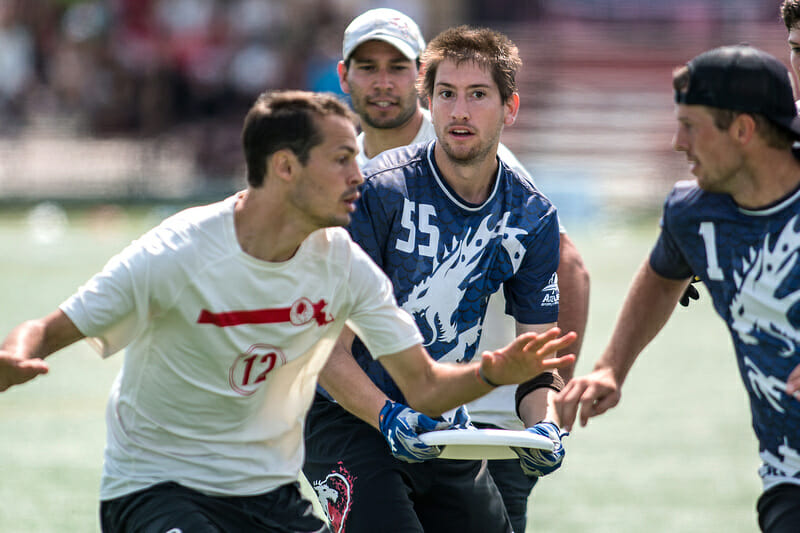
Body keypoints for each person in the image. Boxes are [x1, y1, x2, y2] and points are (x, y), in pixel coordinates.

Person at [0, 90, 577, 533]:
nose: (361, 176)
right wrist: (15, 356)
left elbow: (423, 386)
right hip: (160, 485)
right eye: (341, 160)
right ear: (285, 168)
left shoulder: (341, 263)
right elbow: (45, 330)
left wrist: (492, 375)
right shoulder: (178, 252)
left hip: (267, 494)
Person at [320, 8, 591, 532]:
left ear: (510, 108)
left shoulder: (529, 213)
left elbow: (539, 364)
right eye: (446, 94)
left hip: (449, 413)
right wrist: (387, 415)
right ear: (429, 101)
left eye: (477, 95)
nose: (459, 111)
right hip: (346, 416)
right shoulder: (374, 191)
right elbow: (323, 351)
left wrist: (547, 426)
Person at [555, 44, 800, 533]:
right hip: (788, 473)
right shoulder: (694, 214)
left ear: (744, 130)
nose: (676, 142)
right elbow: (662, 277)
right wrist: (611, 367)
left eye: (691, 126)